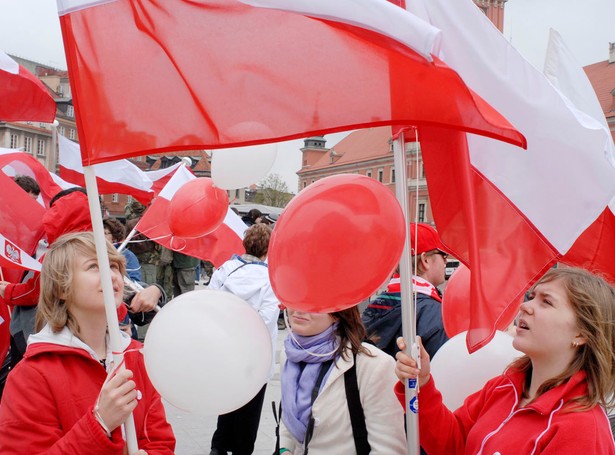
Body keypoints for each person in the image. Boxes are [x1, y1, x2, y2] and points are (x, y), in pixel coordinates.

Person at [394, 267, 615, 454]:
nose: (525, 307)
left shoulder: (583, 428)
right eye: (532, 297)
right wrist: (421, 383)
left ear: (581, 334)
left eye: (546, 302)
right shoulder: (502, 388)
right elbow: (453, 443)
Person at [0, 231, 176, 453]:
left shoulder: (137, 358)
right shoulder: (32, 375)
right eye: (95, 266)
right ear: (62, 288)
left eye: (115, 267)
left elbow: (161, 441)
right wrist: (100, 423)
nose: (113, 276)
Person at [278, 306, 406, 454]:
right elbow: (288, 414)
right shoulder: (290, 355)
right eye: (294, 297)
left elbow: (388, 449)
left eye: (315, 302)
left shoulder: (373, 365)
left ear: (337, 313)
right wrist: (284, 448)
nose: (299, 309)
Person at [208, 224, 280, 455]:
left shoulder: (224, 270)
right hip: (256, 354)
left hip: (227, 350)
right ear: (268, 249)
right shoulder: (271, 277)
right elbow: (268, 316)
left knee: (228, 401)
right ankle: (242, 450)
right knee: (250, 409)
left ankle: (218, 447)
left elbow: (209, 303)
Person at [362, 222, 449, 358]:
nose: (446, 261)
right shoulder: (433, 312)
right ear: (425, 260)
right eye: (443, 255)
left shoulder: (375, 305)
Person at [103, 217, 142, 281]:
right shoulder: (93, 252)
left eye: (105, 233)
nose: (101, 235)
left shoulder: (127, 255)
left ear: (114, 236)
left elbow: (135, 281)